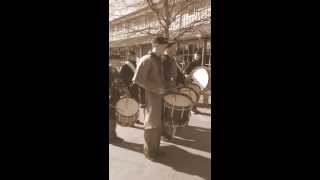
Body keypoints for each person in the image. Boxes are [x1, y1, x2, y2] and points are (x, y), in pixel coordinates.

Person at [132, 36, 168, 161]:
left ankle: (155, 149)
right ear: (156, 45)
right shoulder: (146, 59)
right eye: (163, 46)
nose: (165, 49)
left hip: (159, 97)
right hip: (151, 98)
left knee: (158, 125)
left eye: (165, 46)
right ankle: (149, 152)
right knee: (151, 126)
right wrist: (156, 89)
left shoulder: (158, 59)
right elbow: (137, 80)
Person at [119, 51, 145, 125]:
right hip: (129, 87)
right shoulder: (125, 65)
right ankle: (130, 121)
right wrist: (130, 81)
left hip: (135, 87)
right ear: (129, 56)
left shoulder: (136, 64)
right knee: (130, 104)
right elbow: (122, 77)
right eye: (132, 56)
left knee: (136, 103)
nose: (133, 57)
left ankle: (135, 119)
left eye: (134, 56)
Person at [109, 64, 125, 144]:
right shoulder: (112, 69)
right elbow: (118, 83)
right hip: (112, 97)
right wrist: (126, 93)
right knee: (111, 115)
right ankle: (111, 137)